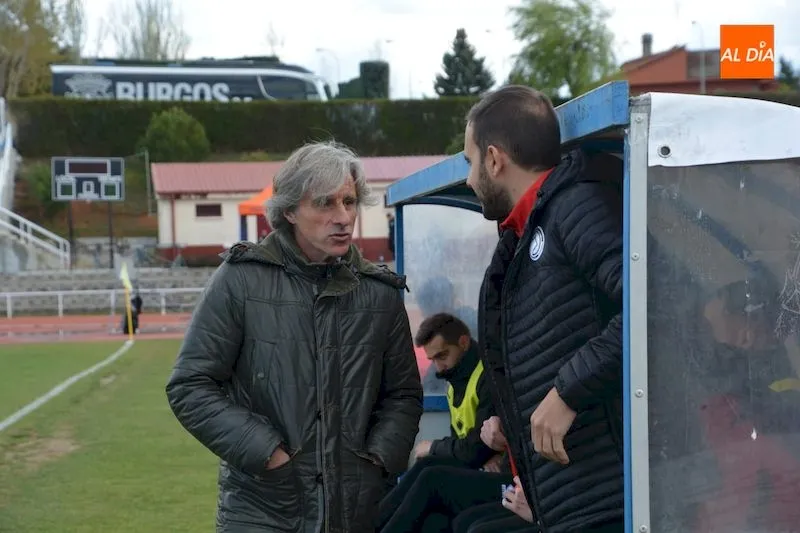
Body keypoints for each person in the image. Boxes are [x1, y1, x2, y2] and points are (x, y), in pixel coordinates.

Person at [165, 141, 424, 533]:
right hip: (261, 509)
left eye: (349, 202)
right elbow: (190, 385)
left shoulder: (380, 293)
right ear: (288, 210)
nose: (343, 217)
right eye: (324, 203)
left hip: (356, 511)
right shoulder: (240, 280)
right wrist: (266, 452)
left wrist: (377, 461)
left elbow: (403, 395)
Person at [464, 85, 624, 532]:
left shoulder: (575, 207)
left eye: (469, 162)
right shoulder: (522, 234)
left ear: (494, 160)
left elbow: (654, 307)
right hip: (568, 499)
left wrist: (568, 392)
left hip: (603, 500)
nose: (469, 180)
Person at [378, 313, 499, 531]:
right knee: (432, 510)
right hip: (477, 466)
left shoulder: (488, 377)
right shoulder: (454, 383)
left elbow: (475, 449)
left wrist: (434, 446)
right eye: (432, 360)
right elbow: (463, 447)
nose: (438, 367)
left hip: (500, 474)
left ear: (463, 342)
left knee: (431, 477)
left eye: (442, 356)